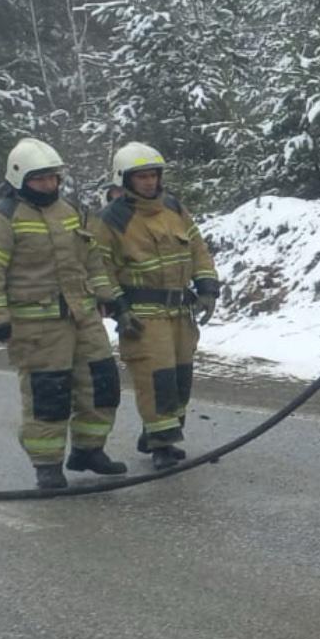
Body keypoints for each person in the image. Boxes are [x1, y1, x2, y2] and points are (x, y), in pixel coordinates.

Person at [0, 139, 132, 489]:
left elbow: (91, 261)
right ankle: (47, 464)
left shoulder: (69, 211)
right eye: (39, 179)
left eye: (53, 178)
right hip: (37, 326)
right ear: (18, 178)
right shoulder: (0, 218)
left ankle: (89, 451)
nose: (49, 185)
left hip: (83, 317)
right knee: (49, 395)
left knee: (102, 384)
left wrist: (109, 297)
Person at [92, 143, 221, 469]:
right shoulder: (113, 219)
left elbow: (197, 248)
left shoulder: (174, 208)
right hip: (143, 315)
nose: (149, 182)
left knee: (180, 378)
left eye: (153, 175)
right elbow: (99, 268)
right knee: (156, 379)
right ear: (125, 179)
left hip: (180, 312)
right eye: (142, 177)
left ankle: (160, 432)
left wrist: (207, 287)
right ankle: (162, 444)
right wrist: (119, 307)